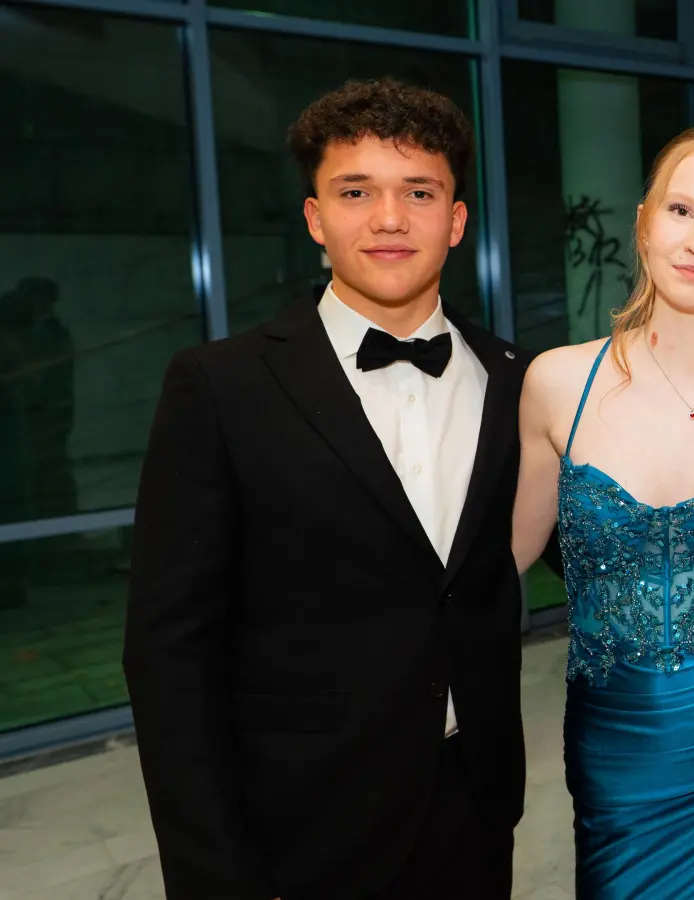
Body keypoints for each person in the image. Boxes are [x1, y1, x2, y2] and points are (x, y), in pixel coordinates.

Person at [124, 78, 527, 900]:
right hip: (298, 824)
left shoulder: (518, 378)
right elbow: (170, 654)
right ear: (316, 218)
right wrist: (212, 875)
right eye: (356, 192)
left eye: (420, 192)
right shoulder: (220, 384)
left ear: (455, 220)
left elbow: (601, 536)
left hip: (473, 806)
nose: (389, 218)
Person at [510, 125, 694, 897]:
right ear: (643, 222)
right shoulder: (557, 383)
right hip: (614, 760)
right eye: (681, 210)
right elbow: (491, 564)